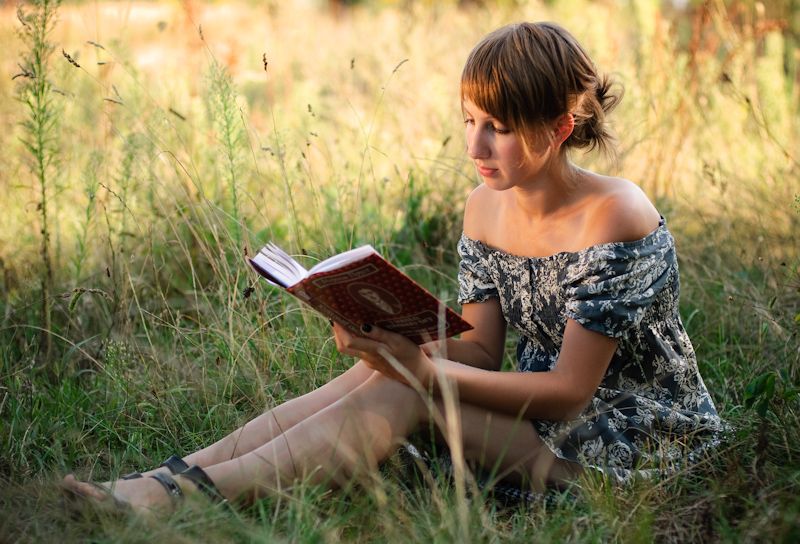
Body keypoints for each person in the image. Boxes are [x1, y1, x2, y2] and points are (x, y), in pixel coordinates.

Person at [63, 21, 724, 514]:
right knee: (377, 369)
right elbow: (484, 351)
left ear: (556, 128)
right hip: (544, 422)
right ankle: (161, 480)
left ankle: (174, 502)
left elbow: (571, 392)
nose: (475, 144)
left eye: (497, 124)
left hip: (626, 442)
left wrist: (421, 370)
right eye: (468, 120)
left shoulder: (616, 215)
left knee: (406, 386)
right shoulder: (484, 208)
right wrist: (387, 336)